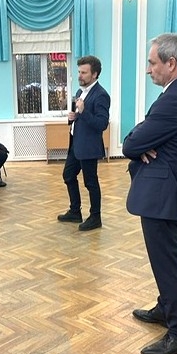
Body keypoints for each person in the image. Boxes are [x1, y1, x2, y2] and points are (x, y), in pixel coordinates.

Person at [122, 33, 177, 354]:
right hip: (168, 190)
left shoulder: (175, 99)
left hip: (163, 194)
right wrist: (141, 140)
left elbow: (130, 143)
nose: (148, 69)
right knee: (165, 261)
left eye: (152, 63)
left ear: (171, 63)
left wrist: (139, 142)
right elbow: (141, 134)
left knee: (168, 264)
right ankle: (165, 308)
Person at [57, 56, 110, 231]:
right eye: (79, 72)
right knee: (68, 175)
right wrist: (73, 117)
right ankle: (75, 211)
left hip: (89, 147)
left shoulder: (101, 95)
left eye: (84, 72)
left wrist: (83, 111)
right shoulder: (80, 92)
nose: (79, 75)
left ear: (94, 74)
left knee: (90, 182)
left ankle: (96, 217)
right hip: (76, 144)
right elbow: (81, 116)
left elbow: (101, 124)